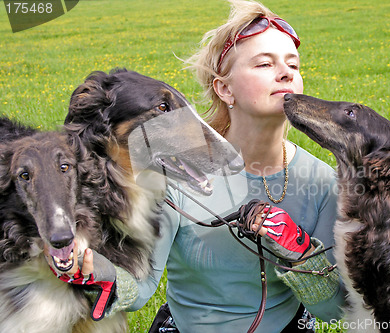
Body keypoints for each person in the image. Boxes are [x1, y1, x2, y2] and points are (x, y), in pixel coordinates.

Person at [48, 0, 346, 332]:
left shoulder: (323, 181)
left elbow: (332, 309)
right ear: (224, 88)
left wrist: (301, 251)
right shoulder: (173, 172)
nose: (286, 73)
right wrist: (96, 273)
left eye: (294, 64)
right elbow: (142, 288)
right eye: (264, 64)